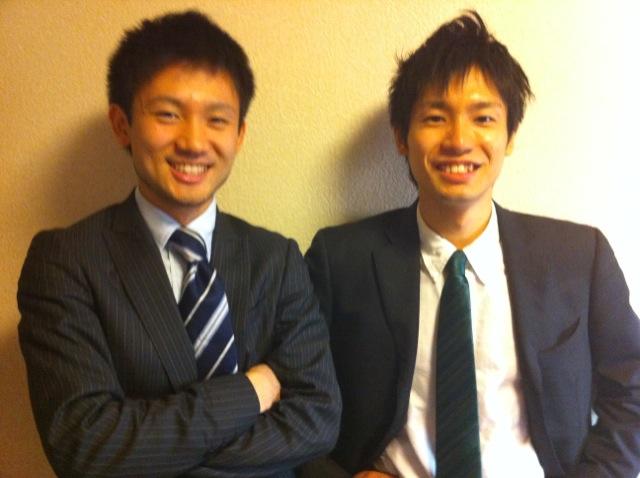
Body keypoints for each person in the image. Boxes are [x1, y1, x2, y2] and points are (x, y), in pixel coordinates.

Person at [305, 10, 640, 478]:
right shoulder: (340, 259)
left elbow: (632, 387)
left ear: (510, 135)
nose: (459, 140)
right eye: (435, 118)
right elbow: (296, 397)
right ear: (401, 137)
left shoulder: (579, 257)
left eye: (483, 118)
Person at [17, 10, 340, 478]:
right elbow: (84, 443)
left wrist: (156, 453)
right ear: (122, 124)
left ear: (239, 134)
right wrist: (251, 392)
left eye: (217, 119)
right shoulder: (66, 262)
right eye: (168, 114)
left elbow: (318, 418)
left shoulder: (277, 258)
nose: (193, 141)